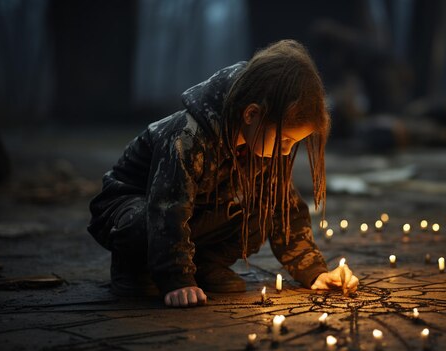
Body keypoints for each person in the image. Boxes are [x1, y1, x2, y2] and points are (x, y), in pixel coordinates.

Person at [87, 40, 359, 307]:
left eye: (293, 144)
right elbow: (169, 206)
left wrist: (315, 273)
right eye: (285, 140)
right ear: (252, 114)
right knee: (145, 223)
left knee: (263, 210)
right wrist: (177, 279)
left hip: (192, 214)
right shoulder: (188, 135)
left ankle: (205, 265)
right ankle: (134, 267)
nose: (286, 152)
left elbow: (283, 207)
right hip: (129, 209)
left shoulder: (260, 141)